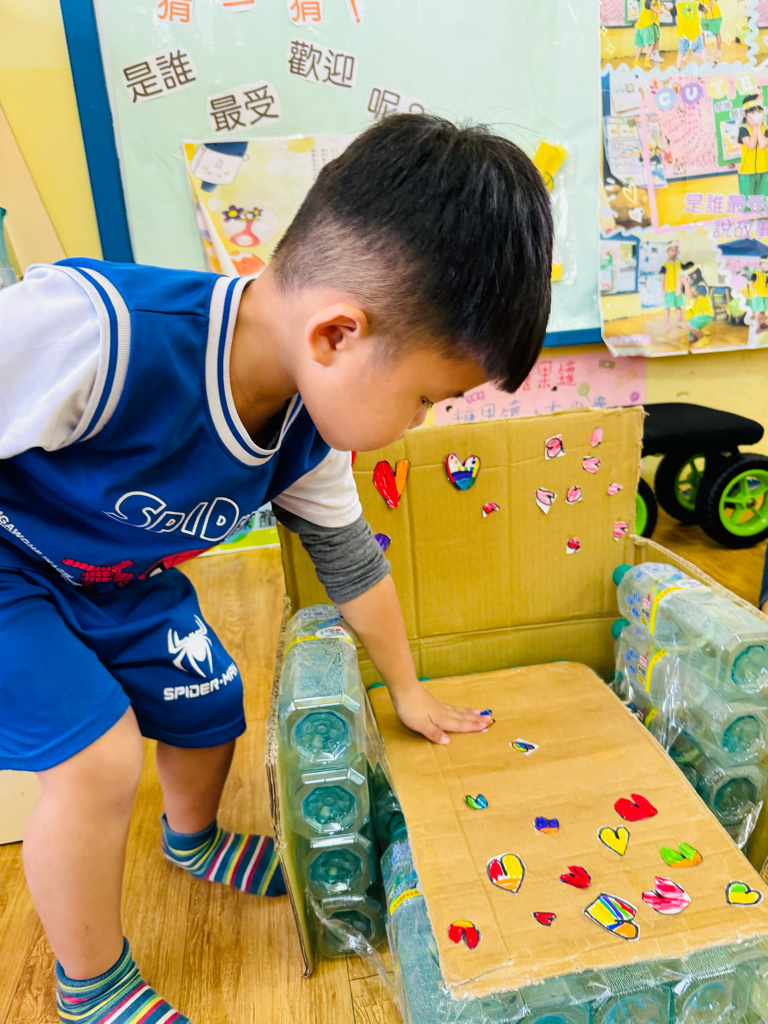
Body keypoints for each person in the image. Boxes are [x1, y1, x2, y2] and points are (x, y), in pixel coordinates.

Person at [0, 114, 553, 1024]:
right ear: (338, 334)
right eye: (425, 397)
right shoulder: (95, 332)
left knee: (210, 700)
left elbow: (351, 562)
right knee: (98, 760)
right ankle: (89, 986)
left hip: (119, 580)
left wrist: (408, 688)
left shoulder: (306, 423)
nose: (418, 422)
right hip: (10, 566)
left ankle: (192, 841)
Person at [738, 95, 768, 198]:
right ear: (745, 115)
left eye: (758, 112)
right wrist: (754, 128)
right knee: (747, 199)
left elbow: (763, 144)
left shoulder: (766, 129)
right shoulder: (744, 129)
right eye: (752, 112)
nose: (756, 115)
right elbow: (751, 145)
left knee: (763, 199)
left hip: (764, 170)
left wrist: (758, 127)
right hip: (747, 171)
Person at [680, 263, 714, 344]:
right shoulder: (692, 287)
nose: (687, 279)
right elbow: (679, 292)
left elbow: (690, 296)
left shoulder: (701, 286)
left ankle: (702, 340)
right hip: (696, 316)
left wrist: (686, 283)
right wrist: (681, 283)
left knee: (689, 326)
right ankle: (698, 331)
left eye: (687, 277)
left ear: (694, 276)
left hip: (705, 315)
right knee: (691, 339)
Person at [660, 242, 684, 330]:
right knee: (667, 308)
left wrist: (680, 287)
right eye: (672, 251)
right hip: (668, 290)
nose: (674, 253)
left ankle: (680, 323)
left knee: (678, 307)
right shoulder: (664, 266)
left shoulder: (679, 264)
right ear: (667, 252)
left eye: (675, 251)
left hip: (678, 289)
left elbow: (682, 275)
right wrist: (663, 290)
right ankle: (667, 324)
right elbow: (662, 279)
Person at [676, 1, 706, 69]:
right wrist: (706, 7)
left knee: (681, 52)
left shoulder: (678, 6)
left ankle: (678, 68)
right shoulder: (696, 4)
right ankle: (706, 64)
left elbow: (669, 13)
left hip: (683, 33)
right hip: (694, 32)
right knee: (701, 50)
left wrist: (662, 9)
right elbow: (706, 10)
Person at [634, 0, 659, 68]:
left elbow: (648, 7)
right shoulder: (647, 2)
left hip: (639, 26)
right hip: (647, 26)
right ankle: (646, 61)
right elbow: (657, 11)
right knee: (651, 44)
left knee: (641, 45)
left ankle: (636, 61)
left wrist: (654, 5)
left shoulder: (641, 1)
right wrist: (663, 10)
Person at [748, 256, 768, 333]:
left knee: (762, 310)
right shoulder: (755, 273)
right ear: (761, 264)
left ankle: (763, 324)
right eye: (765, 263)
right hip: (757, 296)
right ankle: (757, 327)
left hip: (764, 295)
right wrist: (754, 292)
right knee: (758, 311)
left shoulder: (765, 274)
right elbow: (750, 283)